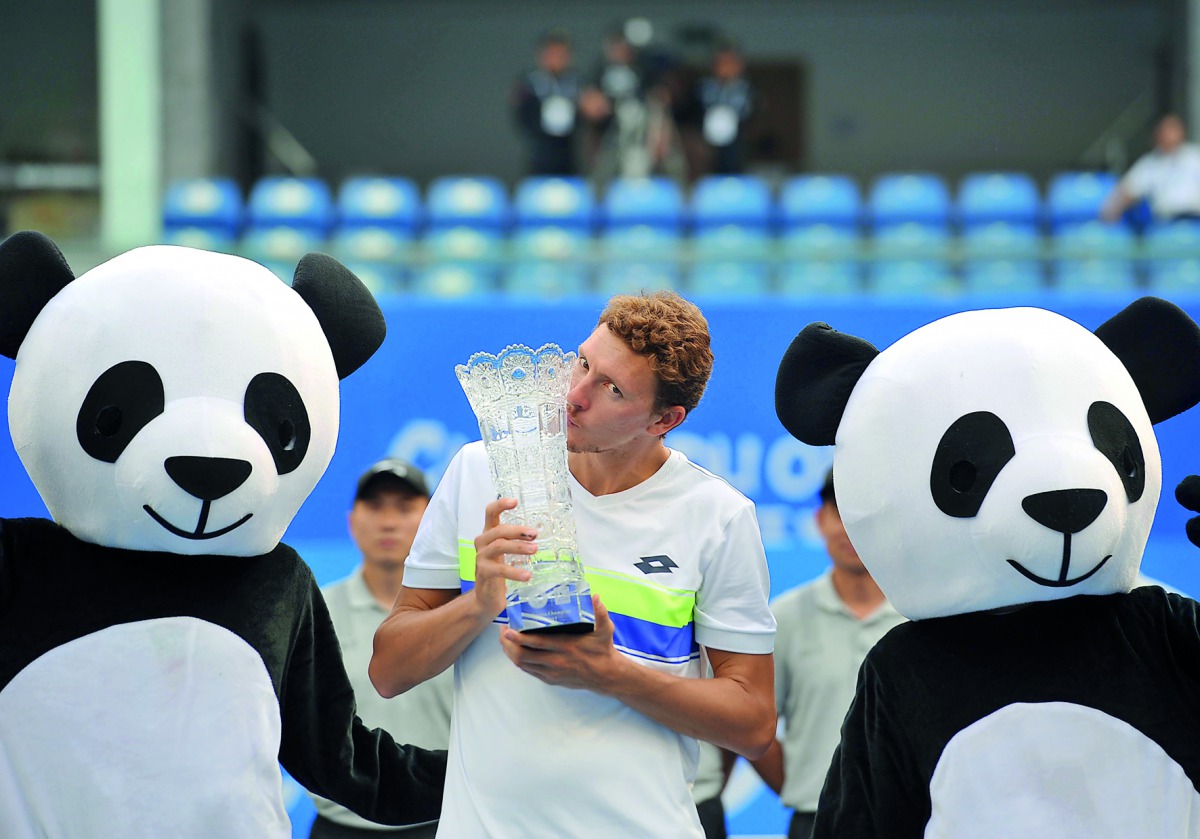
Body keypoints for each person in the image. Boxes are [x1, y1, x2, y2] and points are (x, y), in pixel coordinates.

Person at [369, 290, 777, 838]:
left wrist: (611, 675)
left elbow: (753, 724)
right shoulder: (476, 471)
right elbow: (388, 671)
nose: (575, 396)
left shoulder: (718, 516)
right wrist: (479, 604)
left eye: (612, 389)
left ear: (665, 418)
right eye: (582, 362)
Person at [750, 469, 906, 839]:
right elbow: (754, 725)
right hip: (815, 821)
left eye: (862, 516)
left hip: (910, 823)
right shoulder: (784, 617)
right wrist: (808, 788)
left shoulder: (921, 619)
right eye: (839, 513)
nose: (849, 530)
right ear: (821, 520)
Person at [308, 458, 453, 839]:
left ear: (433, 520)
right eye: (374, 507)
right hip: (339, 827)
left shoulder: (464, 616)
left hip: (442, 824)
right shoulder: (314, 613)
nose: (388, 522)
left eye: (405, 508)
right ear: (352, 521)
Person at [510, 29, 588, 176]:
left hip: (569, 153)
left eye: (561, 55)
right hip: (540, 154)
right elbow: (522, 118)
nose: (556, 59)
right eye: (552, 54)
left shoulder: (578, 83)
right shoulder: (529, 83)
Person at [1101, 113, 1200, 224]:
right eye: (1165, 130)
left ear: (1182, 132)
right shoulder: (1148, 164)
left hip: (1196, 220)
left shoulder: (1195, 156)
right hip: (1165, 224)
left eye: (1173, 129)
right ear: (1157, 134)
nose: (1169, 135)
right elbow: (1126, 191)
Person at [690, 39, 756, 176]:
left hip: (737, 151)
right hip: (706, 152)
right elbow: (691, 119)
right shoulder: (702, 89)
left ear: (739, 65)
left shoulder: (748, 91)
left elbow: (754, 121)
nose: (725, 67)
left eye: (730, 62)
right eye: (721, 62)